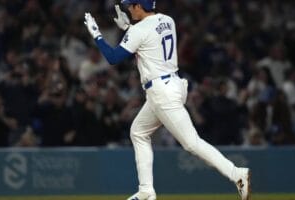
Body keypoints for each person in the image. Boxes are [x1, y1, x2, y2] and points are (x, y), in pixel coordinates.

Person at [83, 1, 251, 200]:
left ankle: (236, 174)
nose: (128, 9)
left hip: (161, 92)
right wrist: (128, 28)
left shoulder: (139, 30)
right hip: (172, 86)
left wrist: (97, 35)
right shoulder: (167, 20)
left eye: (131, 5)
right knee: (138, 132)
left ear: (139, 6)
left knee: (191, 143)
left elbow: (113, 57)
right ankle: (146, 191)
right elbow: (150, 40)